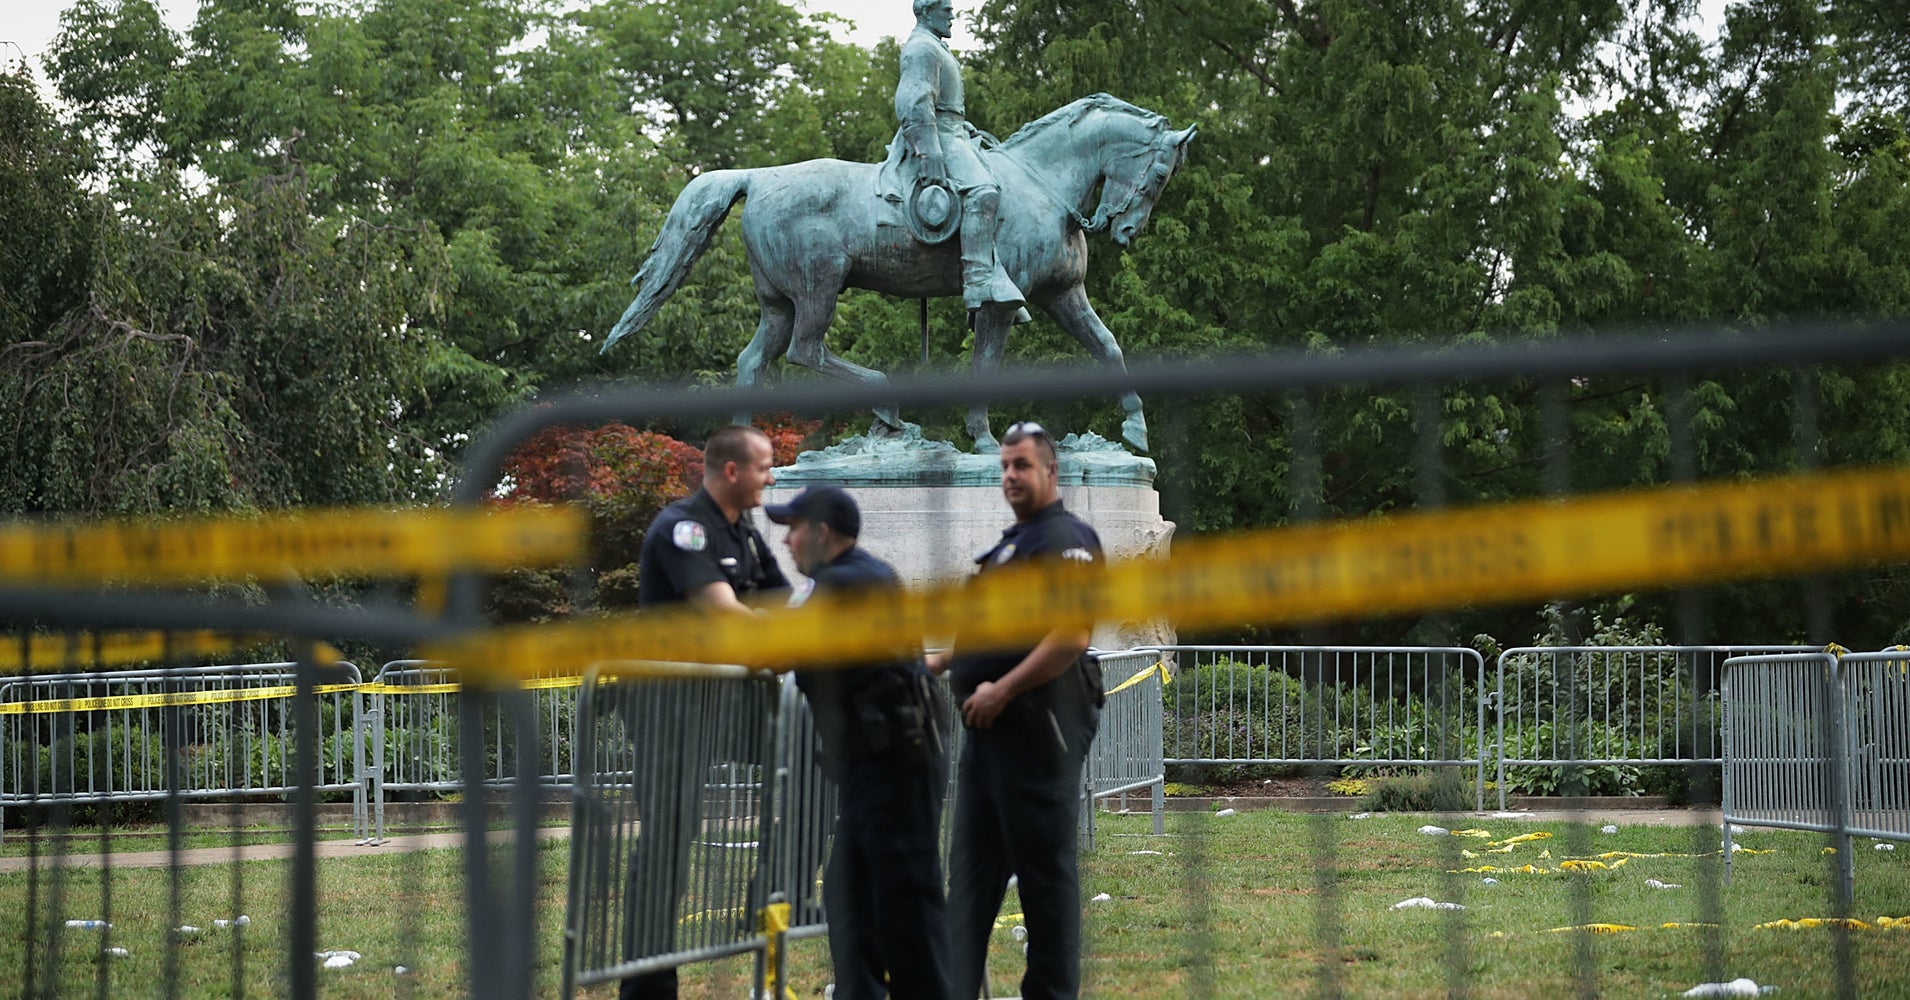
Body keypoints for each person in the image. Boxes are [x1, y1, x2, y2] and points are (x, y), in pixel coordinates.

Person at [928, 421, 1104, 1000]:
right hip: (988, 737)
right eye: (1004, 466)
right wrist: (937, 663)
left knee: (1043, 884)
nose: (1010, 476)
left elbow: (1071, 634)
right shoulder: (1010, 546)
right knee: (969, 879)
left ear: (1051, 471)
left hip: (1037, 731)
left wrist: (1001, 689)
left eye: (1022, 465)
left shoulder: (1068, 541)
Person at [621, 424, 789, 1000]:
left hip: (726, 699)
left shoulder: (744, 533)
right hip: (669, 704)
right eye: (765, 466)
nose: (772, 477)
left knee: (815, 760)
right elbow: (723, 610)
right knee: (670, 839)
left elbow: (782, 602)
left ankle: (773, 888)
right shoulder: (683, 528)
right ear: (732, 471)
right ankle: (647, 988)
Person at [766, 485, 952, 1000]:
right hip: (881, 764)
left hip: (894, 766)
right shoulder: (863, 575)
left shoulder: (843, 584)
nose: (786, 540)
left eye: (794, 528)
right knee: (851, 897)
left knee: (905, 909)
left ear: (821, 533)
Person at [895, 0, 1025, 313]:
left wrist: (961, 126)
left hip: (953, 133)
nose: (952, 15)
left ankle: (997, 273)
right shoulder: (922, 48)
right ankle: (978, 280)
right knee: (983, 192)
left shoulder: (935, 46)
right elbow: (914, 103)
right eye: (946, 9)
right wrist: (929, 151)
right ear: (927, 12)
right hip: (938, 137)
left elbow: (942, 105)